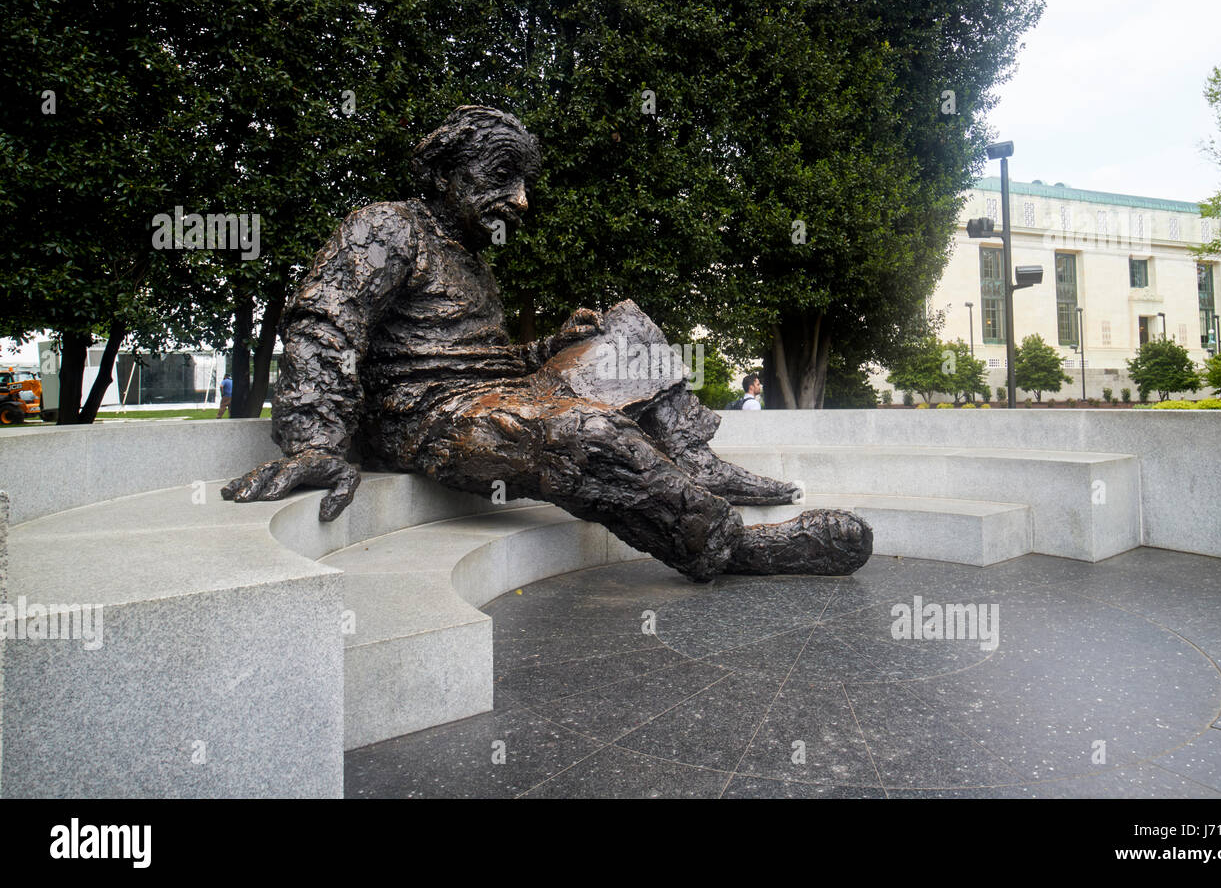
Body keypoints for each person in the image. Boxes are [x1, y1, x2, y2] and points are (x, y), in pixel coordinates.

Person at [222, 106, 871, 581]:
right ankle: (731, 546)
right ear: (447, 174)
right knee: (582, 433)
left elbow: (487, 363)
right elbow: (324, 321)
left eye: (524, 183)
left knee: (623, 332)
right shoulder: (388, 227)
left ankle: (690, 460)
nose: (522, 201)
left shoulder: (473, 261)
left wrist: (553, 347)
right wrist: (315, 440)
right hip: (427, 418)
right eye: (504, 177)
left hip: (490, 396)